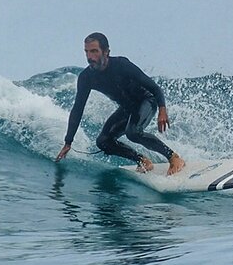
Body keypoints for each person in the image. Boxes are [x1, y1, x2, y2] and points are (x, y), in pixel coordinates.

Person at [55, 32, 185, 175]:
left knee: (133, 133)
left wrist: (162, 109)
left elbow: (154, 87)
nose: (89, 57)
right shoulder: (86, 77)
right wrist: (68, 142)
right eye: (86, 52)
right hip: (127, 108)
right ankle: (142, 160)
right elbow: (77, 109)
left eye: (94, 51)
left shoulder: (122, 65)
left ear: (106, 52)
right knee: (103, 141)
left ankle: (173, 157)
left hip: (146, 101)